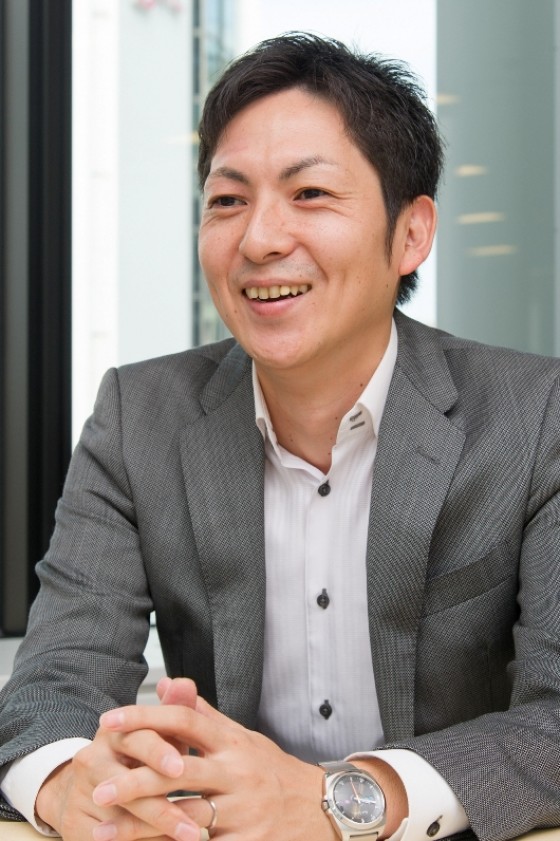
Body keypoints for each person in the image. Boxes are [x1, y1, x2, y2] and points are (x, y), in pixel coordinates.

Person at [1, 30, 559, 841]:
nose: (259, 239)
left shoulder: (534, 415)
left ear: (411, 233)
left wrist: (341, 798)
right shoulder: (138, 415)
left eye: (310, 193)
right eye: (228, 201)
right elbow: (51, 685)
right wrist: (70, 785)